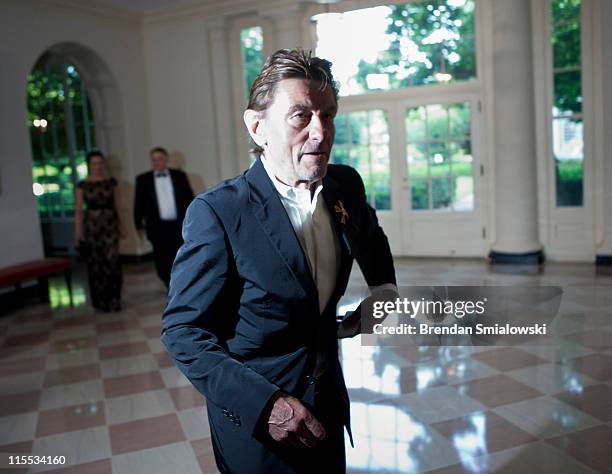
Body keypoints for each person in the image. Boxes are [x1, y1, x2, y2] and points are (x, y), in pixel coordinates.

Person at [161, 49, 396, 473]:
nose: (321, 133)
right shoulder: (219, 213)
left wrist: (385, 291)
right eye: (301, 116)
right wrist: (267, 405)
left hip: (328, 403)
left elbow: (371, 238)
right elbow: (183, 332)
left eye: (328, 115)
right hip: (259, 424)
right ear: (257, 126)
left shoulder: (344, 184)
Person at [133, 147, 194, 287]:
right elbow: (138, 204)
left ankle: (177, 285)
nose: (157, 162)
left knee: (179, 256)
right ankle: (168, 283)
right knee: (161, 259)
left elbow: (189, 200)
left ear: (166, 160)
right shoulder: (142, 179)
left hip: (178, 225)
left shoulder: (180, 176)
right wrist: (138, 225)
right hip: (156, 227)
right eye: (153, 160)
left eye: (160, 159)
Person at [75, 151, 124, 312]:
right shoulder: (82, 185)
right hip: (92, 227)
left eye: (100, 163)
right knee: (96, 264)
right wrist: (78, 233)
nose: (97, 166)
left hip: (110, 225)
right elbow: (78, 210)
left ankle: (115, 298)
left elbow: (118, 205)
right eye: (94, 163)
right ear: (88, 165)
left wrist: (122, 226)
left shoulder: (111, 182)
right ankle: (100, 300)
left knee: (113, 262)